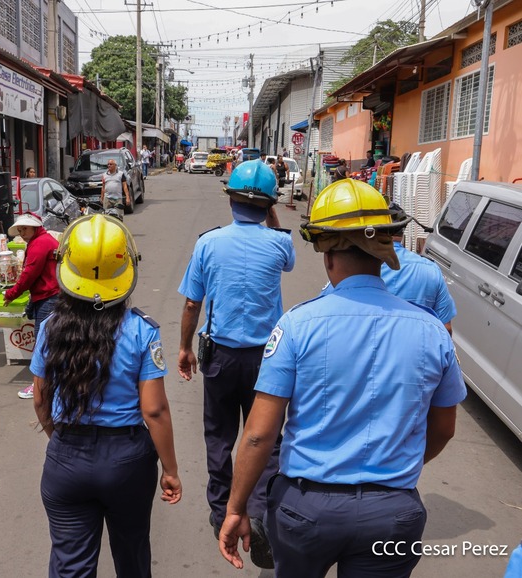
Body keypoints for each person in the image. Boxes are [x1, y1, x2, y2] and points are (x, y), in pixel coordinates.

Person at [219, 179, 466, 577]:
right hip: (393, 514)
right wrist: (394, 473)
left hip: (306, 511)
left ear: (327, 253)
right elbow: (444, 428)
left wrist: (236, 508)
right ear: (383, 251)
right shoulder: (432, 331)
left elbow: (258, 434)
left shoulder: (297, 325)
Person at [32, 214, 181, 577]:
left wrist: (61, 439)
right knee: (132, 556)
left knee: (71, 566)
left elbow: (40, 399)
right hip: (127, 463)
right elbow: (155, 411)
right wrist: (170, 469)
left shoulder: (50, 328)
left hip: (66, 459)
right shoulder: (142, 332)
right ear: (126, 269)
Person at [177, 159, 295, 570]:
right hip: (268, 359)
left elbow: (193, 303)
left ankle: (220, 511)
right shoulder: (279, 244)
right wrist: (270, 211)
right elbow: (285, 248)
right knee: (266, 438)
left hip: (221, 358)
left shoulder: (208, 243)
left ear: (230, 200)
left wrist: (184, 347)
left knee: (220, 435)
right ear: (267, 206)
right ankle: (259, 513)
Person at [322, 202, 457, 335]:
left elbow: (327, 310)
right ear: (402, 230)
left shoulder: (356, 266)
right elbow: (446, 327)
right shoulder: (430, 270)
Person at [4, 213, 60, 400]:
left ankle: (40, 386)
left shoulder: (40, 243)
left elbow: (29, 274)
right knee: (49, 342)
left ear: (34, 227)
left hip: (49, 297)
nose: (22, 233)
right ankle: (52, 382)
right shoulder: (42, 240)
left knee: (42, 343)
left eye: (24, 229)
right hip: (50, 295)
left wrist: (11, 294)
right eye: (20, 230)